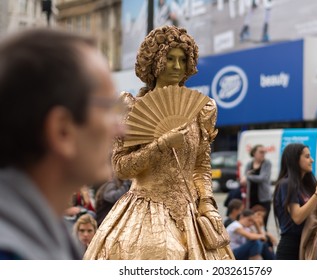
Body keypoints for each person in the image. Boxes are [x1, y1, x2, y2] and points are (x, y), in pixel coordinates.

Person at [84, 25, 234, 260]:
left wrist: (206, 202)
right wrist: (161, 145)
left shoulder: (202, 110)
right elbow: (121, 168)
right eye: (170, 59)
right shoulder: (128, 106)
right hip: (145, 207)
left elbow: (201, 165)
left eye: (182, 60)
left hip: (191, 212)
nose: (176, 66)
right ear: (154, 62)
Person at [0, 28, 123, 259]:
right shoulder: (12, 253)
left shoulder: (47, 234)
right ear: (62, 130)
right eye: (108, 108)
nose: (120, 129)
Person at [273, 143, 317, 260]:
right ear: (294, 160)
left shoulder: (305, 184)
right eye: (307, 156)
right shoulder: (286, 184)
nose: (312, 160)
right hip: (291, 247)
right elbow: (297, 217)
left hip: (309, 244)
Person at [240, 144, 272, 230]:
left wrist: (248, 176)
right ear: (254, 153)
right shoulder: (249, 164)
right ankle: (254, 239)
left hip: (264, 198)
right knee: (251, 222)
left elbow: (262, 178)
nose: (263, 154)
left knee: (263, 223)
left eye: (264, 152)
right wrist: (245, 178)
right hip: (251, 198)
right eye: (261, 152)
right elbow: (243, 179)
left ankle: (264, 240)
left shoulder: (267, 163)